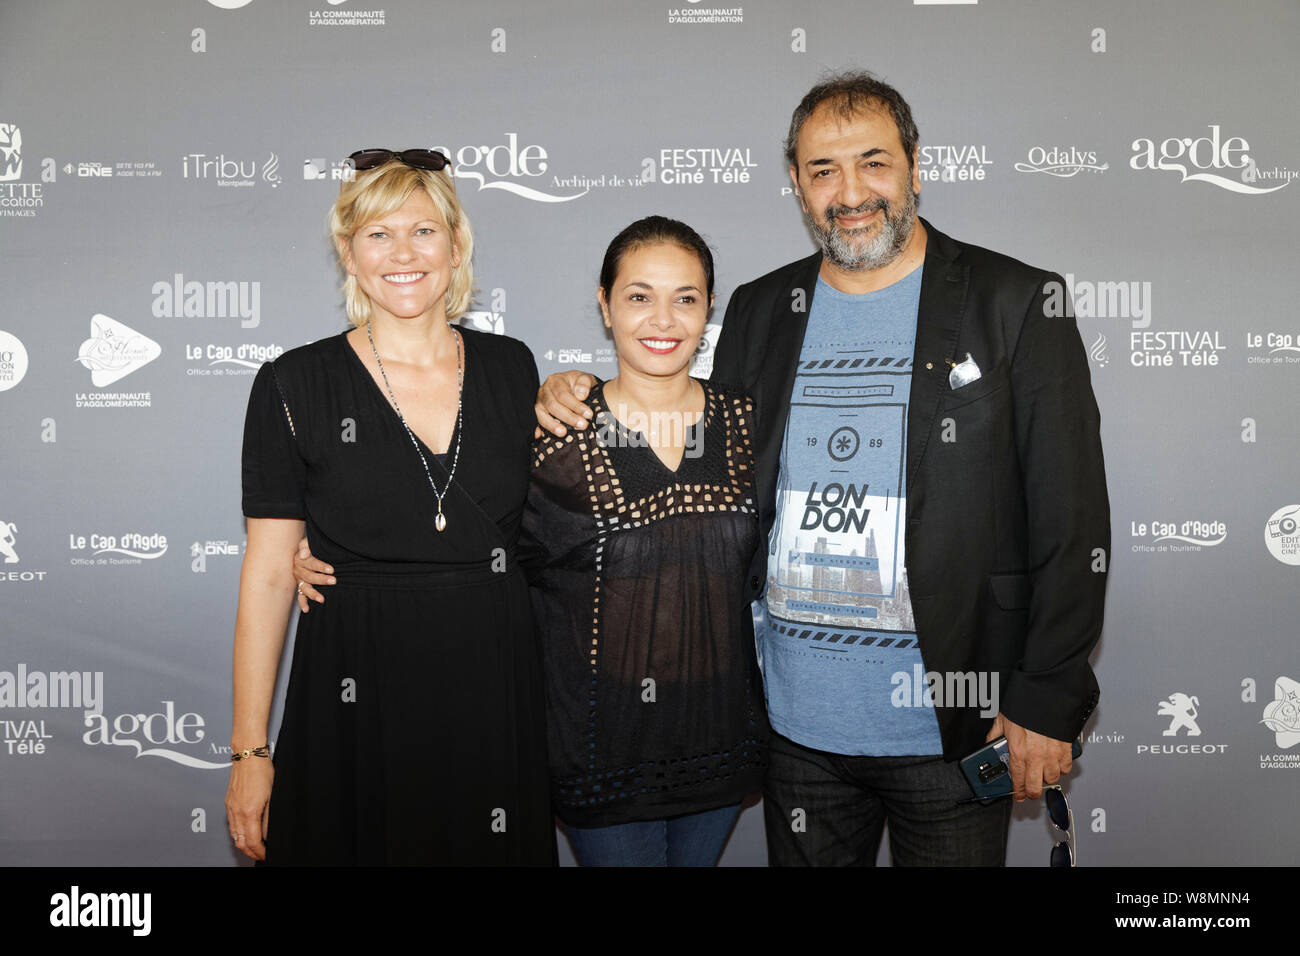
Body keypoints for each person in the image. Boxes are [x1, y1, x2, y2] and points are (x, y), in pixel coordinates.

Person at [536, 71, 1110, 866]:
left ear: (915, 164)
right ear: (799, 187)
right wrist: (572, 390)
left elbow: (1070, 517)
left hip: (952, 724)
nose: (850, 191)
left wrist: (1046, 704)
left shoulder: (1014, 302)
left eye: (873, 162)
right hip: (793, 731)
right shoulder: (767, 309)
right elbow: (693, 437)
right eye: (821, 170)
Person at [295, 216, 770, 866]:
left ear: (708, 309)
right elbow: (460, 531)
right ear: (604, 306)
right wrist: (332, 551)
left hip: (720, 744)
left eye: (685, 298)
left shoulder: (747, 423)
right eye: (639, 296)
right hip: (600, 751)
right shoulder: (551, 430)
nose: (663, 319)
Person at [226, 149, 554, 865]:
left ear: (456, 244)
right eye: (378, 234)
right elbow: (271, 574)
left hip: (492, 687)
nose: (403, 253)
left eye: (424, 231)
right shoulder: (294, 384)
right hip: (354, 684)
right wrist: (250, 750)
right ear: (348, 253)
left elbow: (553, 524)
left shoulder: (513, 367)